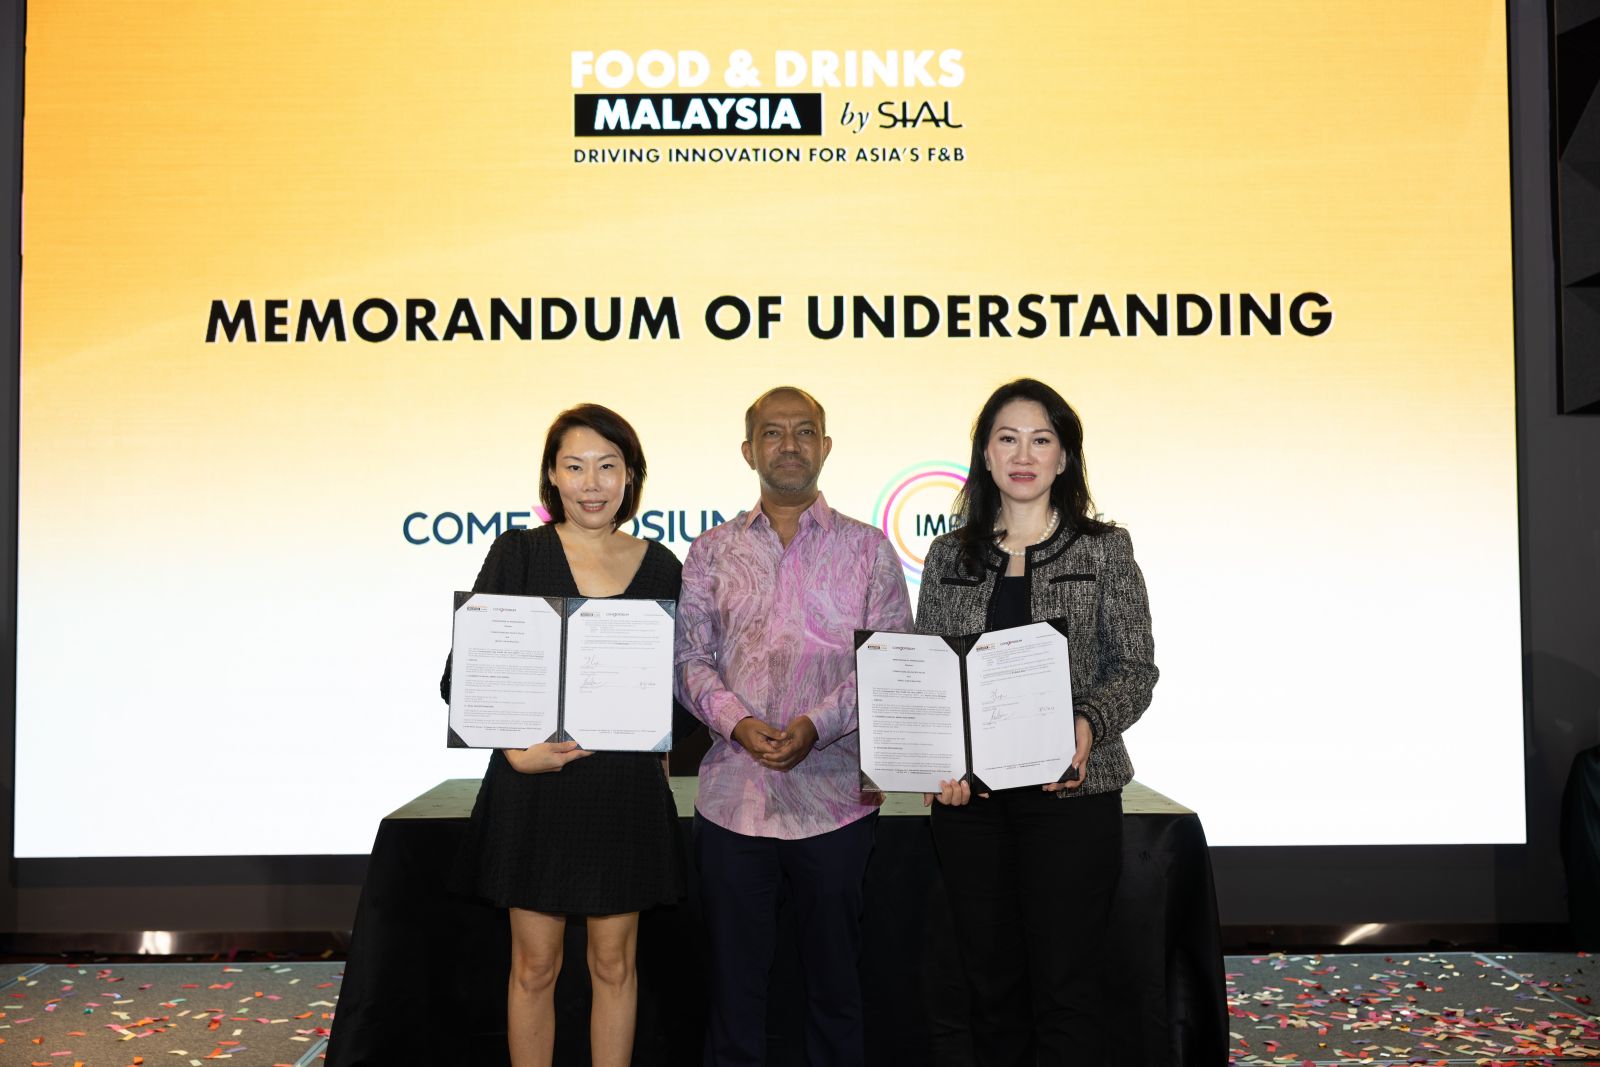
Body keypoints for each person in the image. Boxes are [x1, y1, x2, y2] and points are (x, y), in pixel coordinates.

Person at [917, 377, 1157, 1067]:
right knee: (990, 989)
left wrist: (1087, 722)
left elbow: (1135, 668)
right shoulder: (948, 556)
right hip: (972, 809)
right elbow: (932, 674)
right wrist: (937, 760)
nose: (1023, 455)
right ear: (985, 455)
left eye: (1041, 440)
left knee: (1067, 990)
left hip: (1071, 802)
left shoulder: (1104, 549)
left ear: (1064, 457)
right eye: (1008, 439)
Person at [674, 386, 913, 1066]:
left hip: (834, 802)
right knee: (734, 992)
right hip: (733, 801)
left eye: (804, 431)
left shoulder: (868, 550)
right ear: (748, 450)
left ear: (825, 446)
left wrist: (816, 725)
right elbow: (687, 659)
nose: (788, 444)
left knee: (835, 990)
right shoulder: (711, 550)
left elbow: (888, 661)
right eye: (772, 432)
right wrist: (738, 723)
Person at [442, 404, 685, 1067]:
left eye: (608, 466)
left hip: (622, 790)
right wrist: (514, 752)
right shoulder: (518, 553)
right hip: (534, 788)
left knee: (614, 966)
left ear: (631, 475)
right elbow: (465, 674)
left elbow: (676, 686)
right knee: (534, 966)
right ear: (552, 475)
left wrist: (662, 741)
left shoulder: (663, 566)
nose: (592, 483)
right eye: (575, 467)